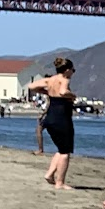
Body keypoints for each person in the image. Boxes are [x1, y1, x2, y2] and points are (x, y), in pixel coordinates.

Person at [27, 56, 77, 188]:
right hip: (61, 118)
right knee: (65, 152)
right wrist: (72, 95)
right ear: (67, 70)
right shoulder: (64, 79)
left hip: (50, 116)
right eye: (73, 70)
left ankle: (49, 174)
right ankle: (60, 182)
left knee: (61, 149)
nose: (73, 73)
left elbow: (31, 86)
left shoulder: (50, 80)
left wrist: (46, 92)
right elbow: (62, 92)